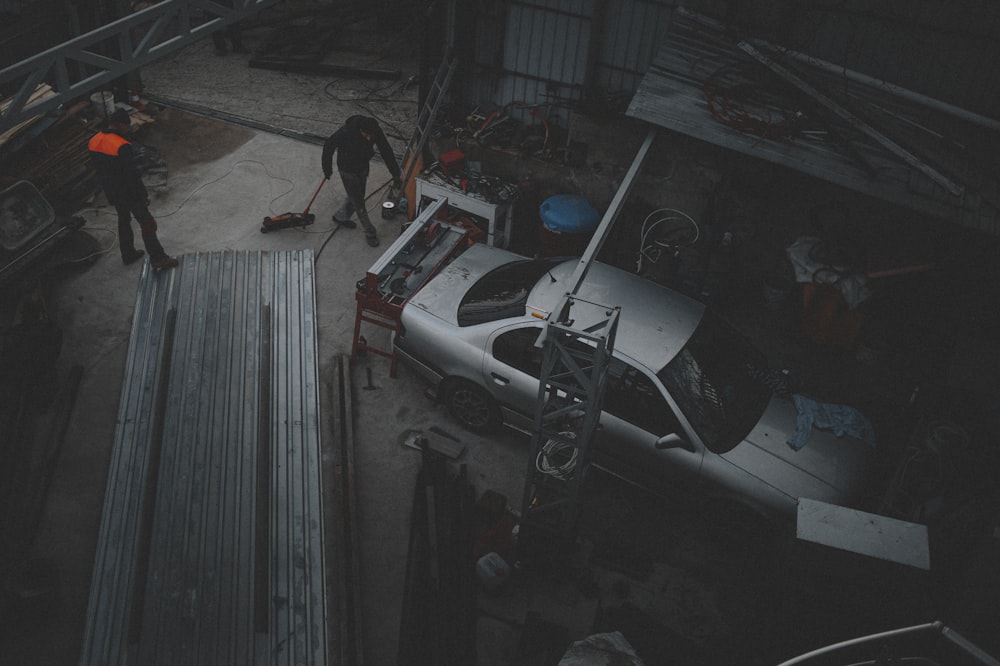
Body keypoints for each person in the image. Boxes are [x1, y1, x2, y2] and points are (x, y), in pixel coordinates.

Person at [88, 108, 178, 269]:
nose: (128, 129)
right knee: (147, 223)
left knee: (124, 220)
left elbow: (99, 170)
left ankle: (128, 253)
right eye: (126, 126)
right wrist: (143, 195)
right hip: (128, 192)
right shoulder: (121, 145)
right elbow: (131, 175)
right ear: (119, 125)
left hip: (112, 192)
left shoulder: (94, 141)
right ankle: (158, 258)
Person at [321, 115, 402, 247]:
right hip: (347, 170)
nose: (370, 138)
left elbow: (386, 150)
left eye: (371, 135)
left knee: (358, 196)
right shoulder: (346, 132)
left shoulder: (375, 131)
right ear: (360, 130)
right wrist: (327, 169)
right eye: (367, 134)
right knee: (359, 204)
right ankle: (370, 232)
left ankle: (340, 217)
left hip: (362, 166)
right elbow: (328, 146)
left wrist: (395, 173)